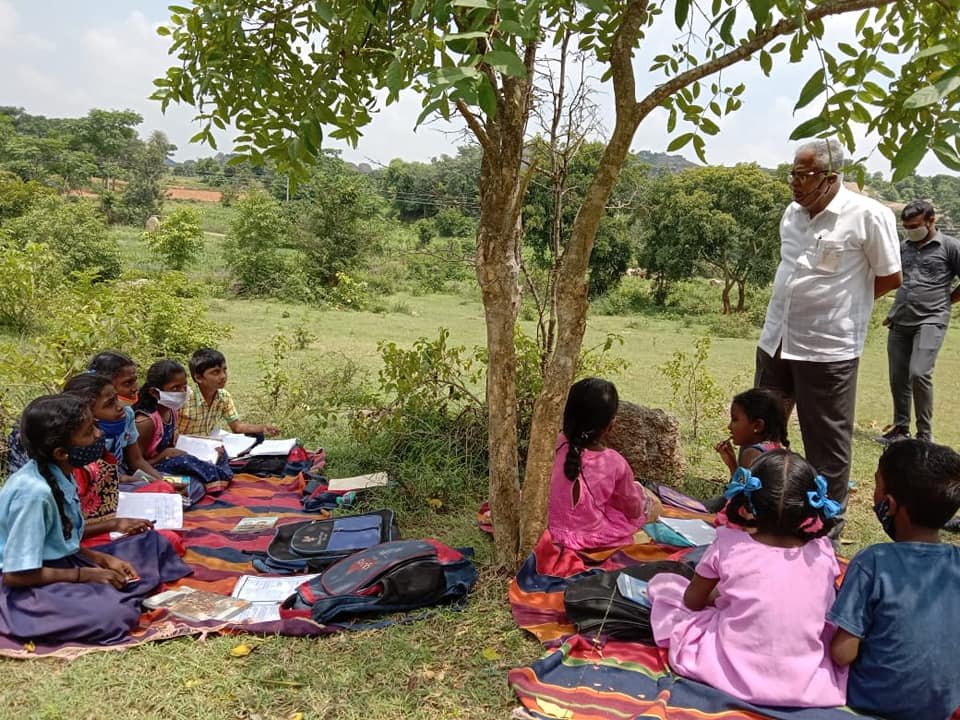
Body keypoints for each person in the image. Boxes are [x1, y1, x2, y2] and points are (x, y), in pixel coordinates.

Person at [756, 139, 902, 537]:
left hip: (827, 348)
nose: (795, 183)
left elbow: (891, 276)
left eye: (804, 176)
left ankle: (825, 530)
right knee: (762, 429)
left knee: (826, 446)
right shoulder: (792, 214)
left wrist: (843, 306)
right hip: (777, 338)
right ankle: (760, 508)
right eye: (793, 174)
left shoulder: (868, 215)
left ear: (831, 177)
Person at [648, 450, 847, 707]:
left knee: (666, 587)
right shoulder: (822, 550)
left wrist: (719, 596)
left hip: (731, 670)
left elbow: (692, 601)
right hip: (805, 681)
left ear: (750, 501)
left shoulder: (730, 544)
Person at [0, 394, 190, 644]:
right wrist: (85, 575)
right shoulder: (34, 493)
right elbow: (15, 575)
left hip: (66, 562)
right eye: (89, 431)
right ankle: (109, 597)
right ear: (61, 452)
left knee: (154, 543)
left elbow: (60, 542)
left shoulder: (62, 472)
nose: (99, 435)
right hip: (29, 582)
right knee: (112, 615)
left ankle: (111, 592)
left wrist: (101, 559)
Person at [828, 439, 960, 720]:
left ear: (889, 504)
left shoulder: (873, 562)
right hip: (942, 709)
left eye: (877, 484)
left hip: (868, 707)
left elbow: (842, 652)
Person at [877, 200, 960, 445]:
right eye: (906, 227)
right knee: (898, 377)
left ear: (931, 221)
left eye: (915, 226)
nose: (910, 231)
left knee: (919, 372)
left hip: (931, 320)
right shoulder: (903, 248)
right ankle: (901, 429)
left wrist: (946, 301)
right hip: (900, 320)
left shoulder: (950, 247)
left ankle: (924, 435)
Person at [547, 377, 661, 551]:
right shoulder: (615, 463)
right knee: (651, 502)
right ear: (610, 426)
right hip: (587, 536)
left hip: (546, 527)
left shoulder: (550, 445)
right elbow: (633, 510)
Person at [134, 359, 232, 497]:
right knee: (188, 475)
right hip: (152, 469)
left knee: (219, 451)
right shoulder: (146, 422)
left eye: (184, 387)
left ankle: (212, 479)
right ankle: (216, 479)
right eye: (175, 388)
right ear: (155, 393)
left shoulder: (172, 410)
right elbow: (135, 463)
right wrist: (163, 456)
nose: (182, 392)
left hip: (170, 461)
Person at [177, 348, 280, 438]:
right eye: (215, 372)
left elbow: (237, 427)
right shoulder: (184, 400)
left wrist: (262, 428)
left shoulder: (223, 397)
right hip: (183, 447)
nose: (223, 376)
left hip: (207, 445)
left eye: (224, 370)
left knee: (256, 439)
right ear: (199, 378)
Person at [714, 387, 789, 475]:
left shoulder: (752, 454)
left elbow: (740, 484)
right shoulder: (778, 451)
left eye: (735, 420)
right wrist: (732, 464)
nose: (729, 426)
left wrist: (732, 467)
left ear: (758, 426)